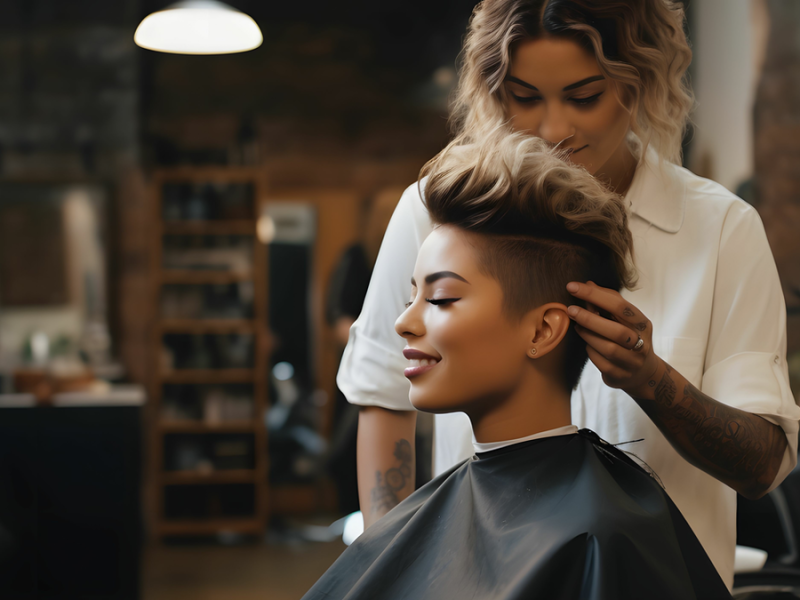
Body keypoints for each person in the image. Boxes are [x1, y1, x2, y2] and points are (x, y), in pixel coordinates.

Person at [337, 0, 800, 587]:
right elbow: (383, 397)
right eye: (525, 97)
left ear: (638, 82)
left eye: (584, 97)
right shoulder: (437, 215)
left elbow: (761, 466)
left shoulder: (721, 231)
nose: (554, 129)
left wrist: (653, 382)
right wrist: (396, 574)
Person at [305, 133, 731, 600]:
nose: (405, 322)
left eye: (441, 298)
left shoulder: (600, 536)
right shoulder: (437, 511)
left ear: (542, 331)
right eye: (411, 297)